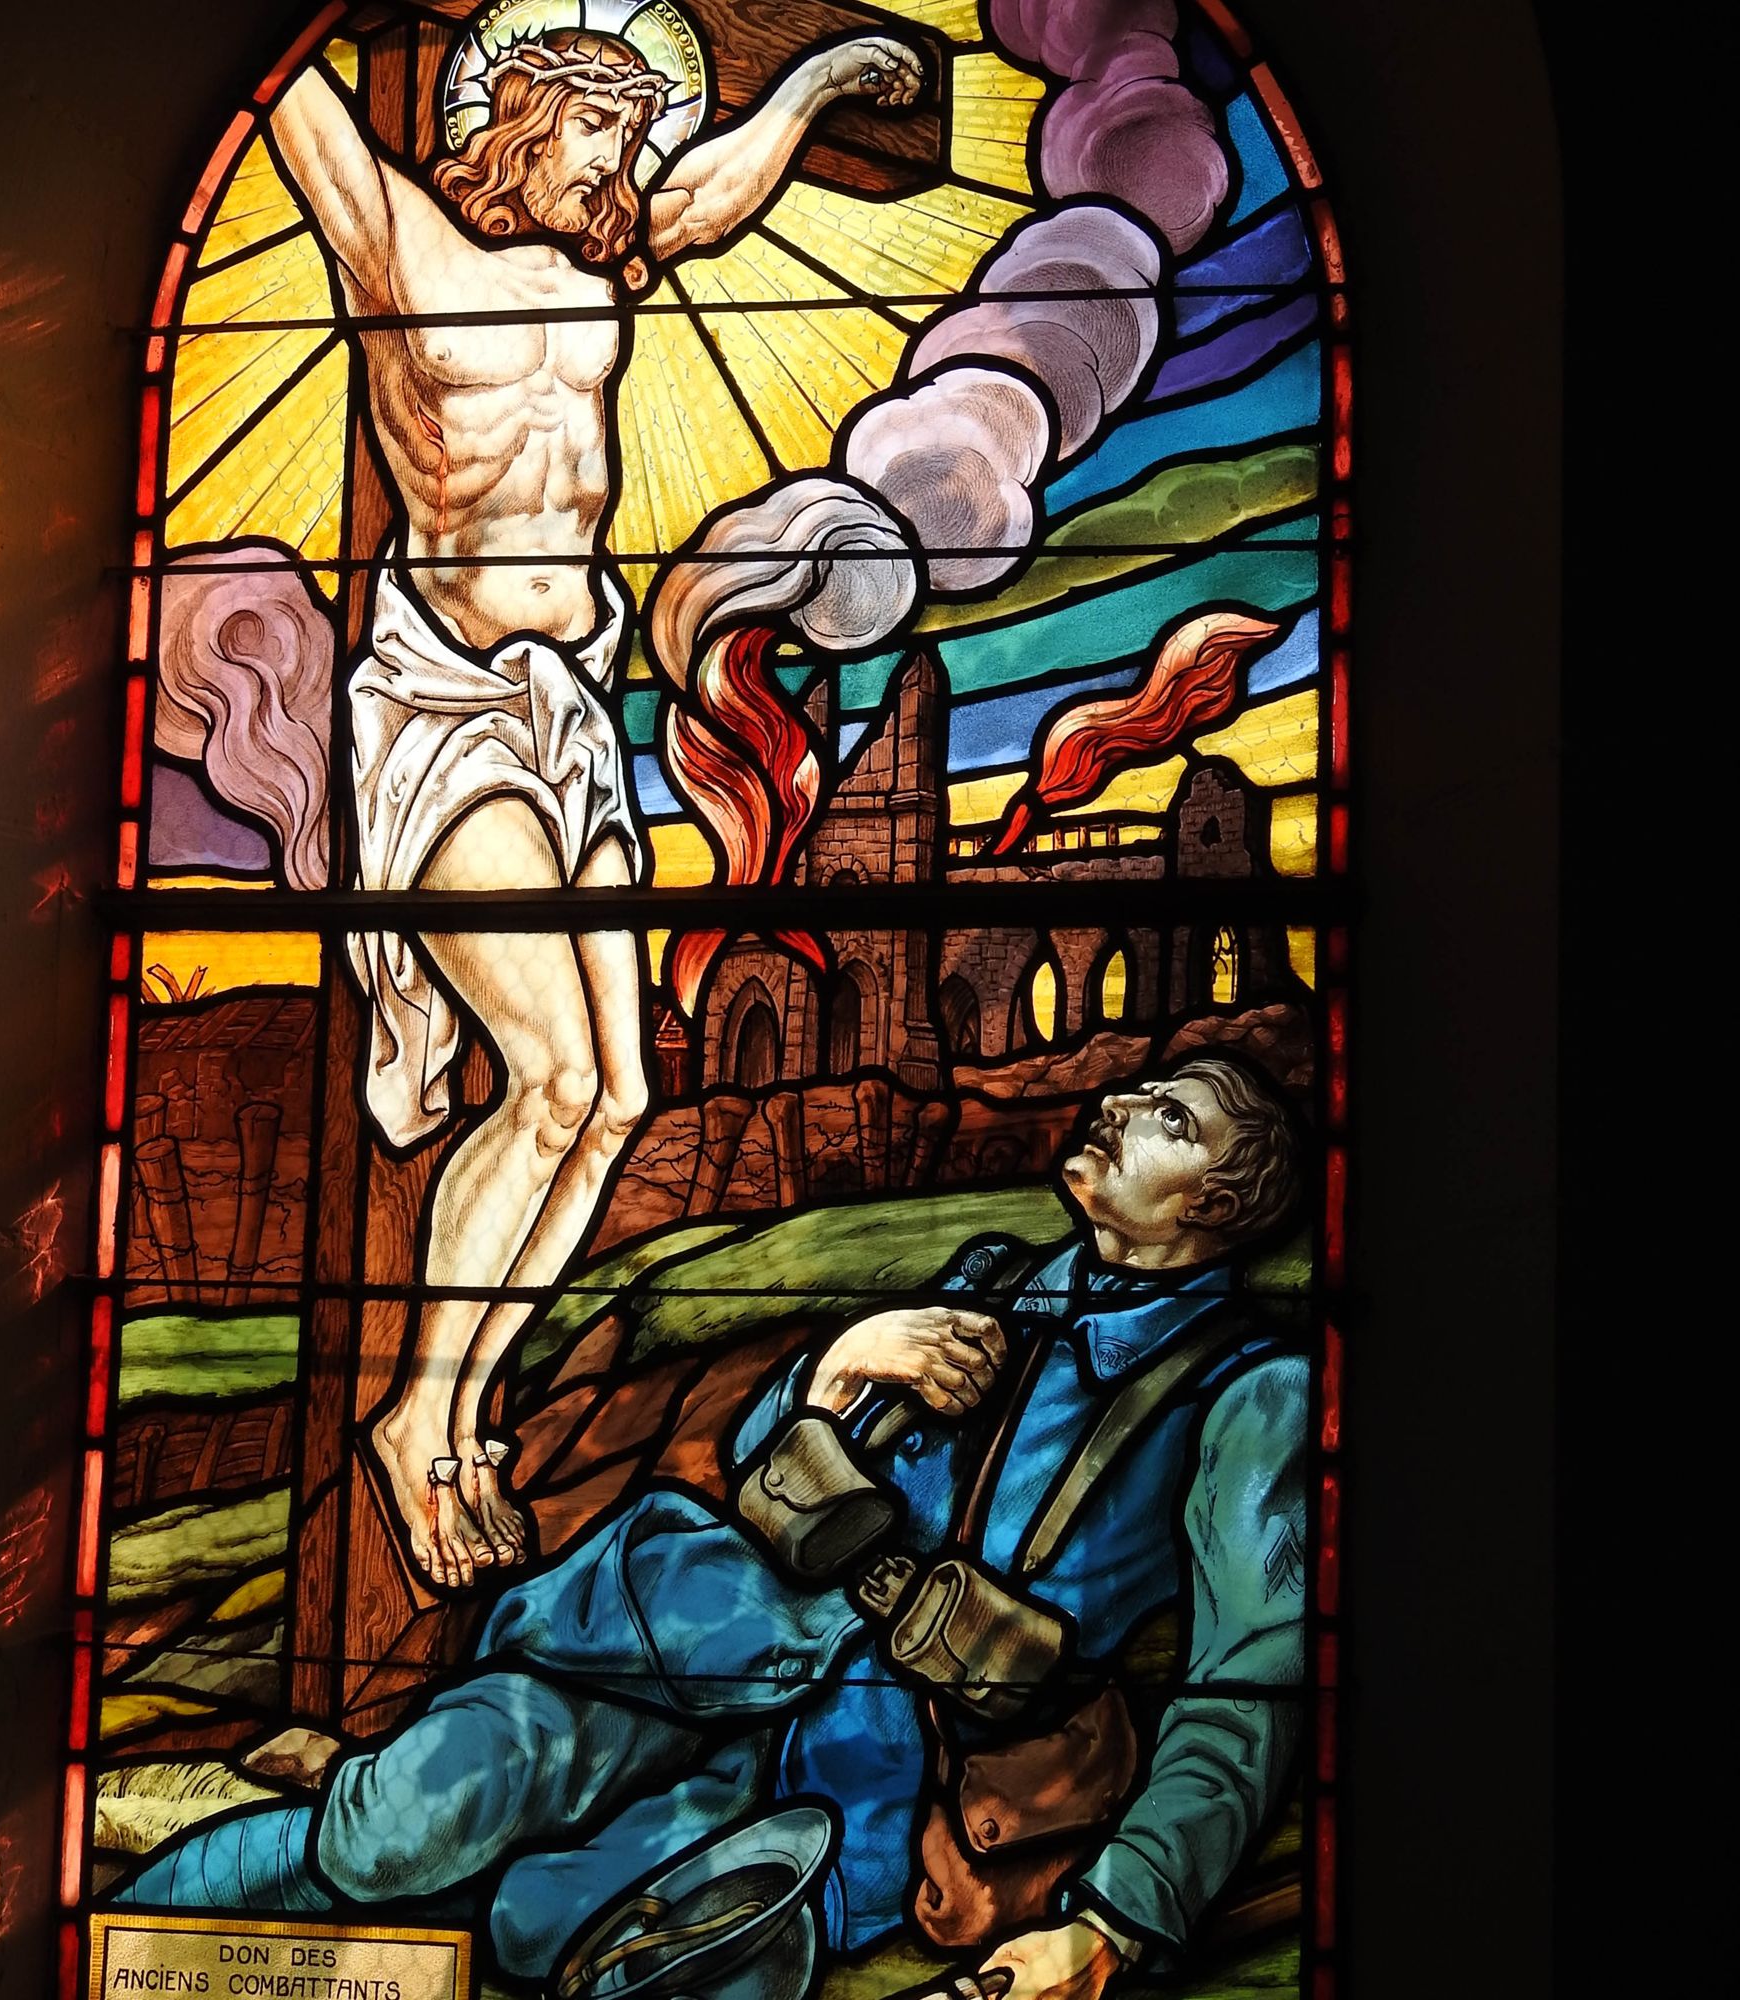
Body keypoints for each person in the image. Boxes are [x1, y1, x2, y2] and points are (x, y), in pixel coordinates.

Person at [122, 1055, 1311, 1999]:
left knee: (548, 1931)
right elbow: (764, 1460)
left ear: (1214, 1202)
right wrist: (838, 1366)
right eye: (1140, 1091)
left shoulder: (1246, 1391)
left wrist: (1114, 1921)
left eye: (1169, 1116)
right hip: (667, 1634)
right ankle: (118, 1947)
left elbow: (1242, 1694)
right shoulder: (991, 1276)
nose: (1116, 1103)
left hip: (864, 1772)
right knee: (394, 1828)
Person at [263, 22, 925, 1591]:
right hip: (445, 707)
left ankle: (459, 1404)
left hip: (567, 712)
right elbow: (304, 119)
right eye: (597, 138)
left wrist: (817, 86)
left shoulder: (611, 267)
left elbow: (715, 193)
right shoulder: (406, 253)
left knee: (617, 1096)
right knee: (550, 1072)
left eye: (635, 142)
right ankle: (417, 1421)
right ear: (521, 123)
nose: (622, 170)